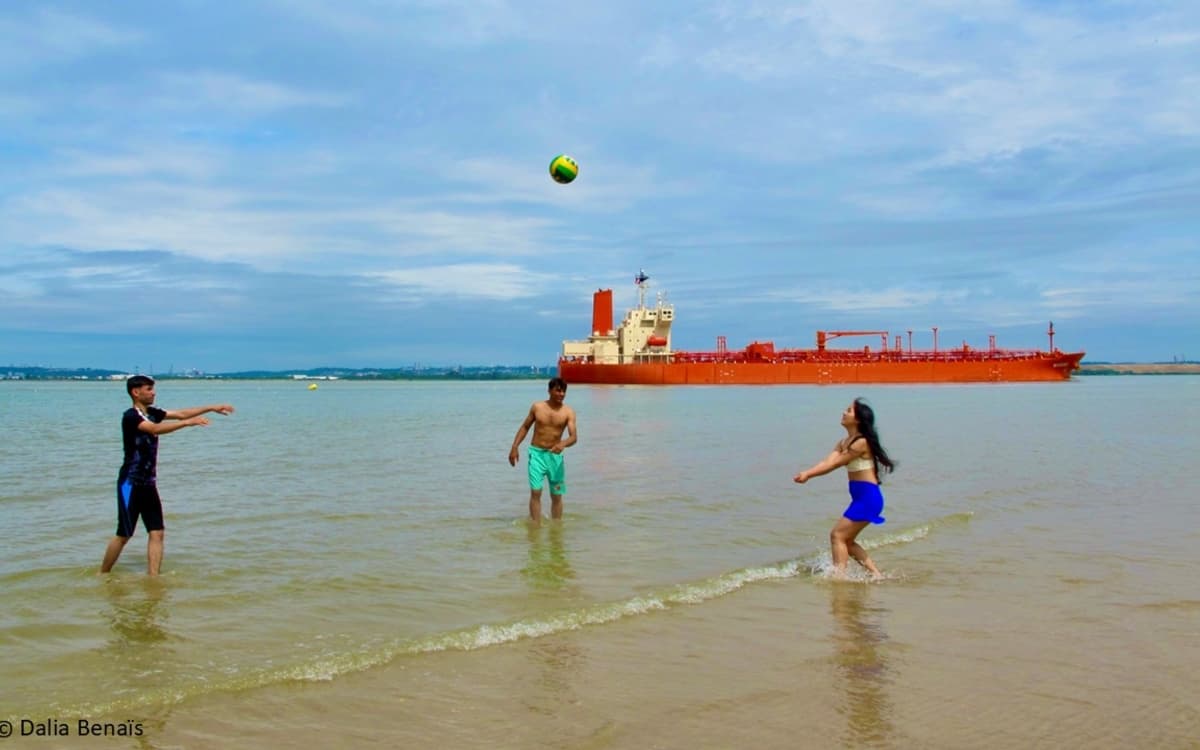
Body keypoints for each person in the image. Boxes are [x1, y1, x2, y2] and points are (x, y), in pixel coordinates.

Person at [100, 375, 235, 576]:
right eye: (149, 389)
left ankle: (153, 578)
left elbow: (181, 413)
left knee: (157, 532)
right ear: (136, 392)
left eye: (153, 389)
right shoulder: (131, 416)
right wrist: (189, 423)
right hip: (129, 483)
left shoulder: (152, 412)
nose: (153, 392)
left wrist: (211, 407)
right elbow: (154, 429)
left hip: (148, 483)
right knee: (124, 534)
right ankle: (103, 574)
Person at [793, 398, 896, 580]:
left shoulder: (861, 443)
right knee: (846, 540)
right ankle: (876, 576)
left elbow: (835, 465)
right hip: (862, 499)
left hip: (868, 499)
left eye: (848, 410)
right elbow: (827, 462)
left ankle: (839, 577)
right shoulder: (843, 443)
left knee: (837, 535)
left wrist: (808, 475)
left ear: (858, 419)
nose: (844, 413)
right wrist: (807, 472)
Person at [509, 377, 577, 523]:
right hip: (537, 454)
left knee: (557, 494)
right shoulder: (537, 407)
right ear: (549, 391)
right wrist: (515, 447)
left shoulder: (568, 412)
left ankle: (557, 528)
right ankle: (535, 527)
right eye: (558, 391)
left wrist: (563, 443)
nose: (561, 394)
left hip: (555, 456)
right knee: (536, 492)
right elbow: (525, 427)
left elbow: (574, 437)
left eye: (564, 391)